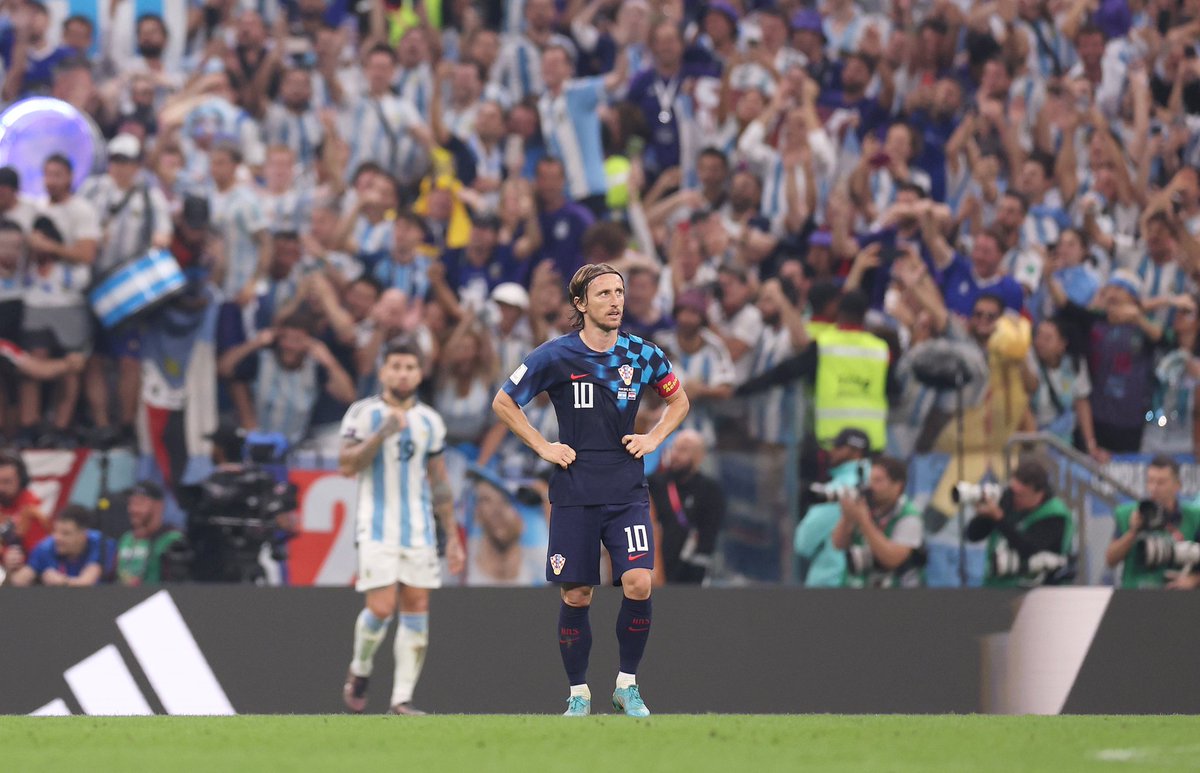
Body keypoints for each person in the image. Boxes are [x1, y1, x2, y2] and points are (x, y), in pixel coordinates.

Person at [491, 262, 689, 717]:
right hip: (575, 491)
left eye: (619, 292)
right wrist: (542, 446)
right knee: (578, 594)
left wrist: (654, 438)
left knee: (638, 582)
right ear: (580, 304)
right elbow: (504, 401)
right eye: (603, 294)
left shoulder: (643, 354)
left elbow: (678, 400)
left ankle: (627, 684)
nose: (615, 300)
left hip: (626, 490)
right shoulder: (555, 355)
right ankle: (579, 693)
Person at [338, 342, 465, 716]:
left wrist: (452, 536)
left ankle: (401, 699)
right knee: (380, 607)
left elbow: (439, 482)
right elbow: (346, 465)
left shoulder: (430, 421)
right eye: (395, 366)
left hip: (420, 529)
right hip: (375, 525)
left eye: (410, 366)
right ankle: (360, 668)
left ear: (420, 373)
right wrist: (379, 435)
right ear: (383, 372)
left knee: (417, 607)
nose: (403, 373)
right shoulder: (363, 413)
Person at [966, 459, 1074, 588]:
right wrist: (984, 515)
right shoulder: (1008, 497)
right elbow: (972, 535)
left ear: (1039, 494)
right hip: (996, 586)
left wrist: (999, 519)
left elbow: (1029, 550)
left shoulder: (1055, 515)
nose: (1014, 497)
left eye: (1020, 495)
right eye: (1012, 491)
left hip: (1037, 590)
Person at [1105, 456, 1200, 590]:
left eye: (1161, 482)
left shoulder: (1195, 517)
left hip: (1179, 597)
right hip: (1135, 596)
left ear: (1178, 485)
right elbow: (1110, 560)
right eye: (1150, 481)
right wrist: (1133, 532)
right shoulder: (1128, 513)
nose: (1154, 488)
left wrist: (1194, 580)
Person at [830, 455, 924, 588]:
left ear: (898, 486)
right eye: (870, 480)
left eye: (878, 481)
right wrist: (847, 517)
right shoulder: (864, 504)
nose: (871, 487)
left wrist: (864, 521)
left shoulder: (909, 516)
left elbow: (892, 559)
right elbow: (838, 544)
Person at [794, 428, 871, 587]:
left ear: (854, 451)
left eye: (837, 446)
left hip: (833, 580)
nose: (831, 451)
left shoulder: (842, 487)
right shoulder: (878, 482)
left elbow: (803, 541)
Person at [646, 429, 725, 584]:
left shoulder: (710, 491)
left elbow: (709, 533)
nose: (675, 454)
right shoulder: (653, 484)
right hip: (656, 566)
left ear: (698, 456)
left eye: (683, 450)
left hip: (692, 571)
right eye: (674, 448)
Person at [4, 505, 108, 587]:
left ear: (83, 535)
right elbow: (19, 581)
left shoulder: (98, 542)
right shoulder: (45, 547)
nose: (57, 538)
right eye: (55, 531)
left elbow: (87, 582)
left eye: (65, 533)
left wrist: (63, 582)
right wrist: (9, 570)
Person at [115, 480, 184, 586]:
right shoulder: (126, 539)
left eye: (140, 503)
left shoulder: (173, 539)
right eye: (131, 503)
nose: (132, 509)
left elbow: (176, 585)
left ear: (159, 506)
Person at [0, 450, 49, 581]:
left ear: (21, 481)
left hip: (25, 577)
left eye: (7, 482)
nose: (1, 488)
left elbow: (40, 552)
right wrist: (4, 554)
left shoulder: (33, 511)